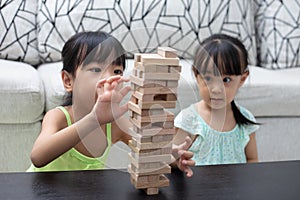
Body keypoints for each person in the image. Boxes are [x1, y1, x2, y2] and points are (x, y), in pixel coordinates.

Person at [27, 31, 194, 176]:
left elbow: (148, 150)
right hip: (40, 190)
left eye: (116, 71)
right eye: (96, 69)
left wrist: (174, 158)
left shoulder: (115, 124)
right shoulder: (58, 117)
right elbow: (38, 157)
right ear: (68, 80)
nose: (109, 78)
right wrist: (94, 119)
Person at [173, 33, 260, 166]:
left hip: (237, 187)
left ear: (242, 79)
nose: (216, 89)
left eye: (226, 80)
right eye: (208, 78)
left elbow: (252, 159)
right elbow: (171, 158)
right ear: (197, 75)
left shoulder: (245, 121)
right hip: (200, 186)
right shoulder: (189, 120)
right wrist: (179, 163)